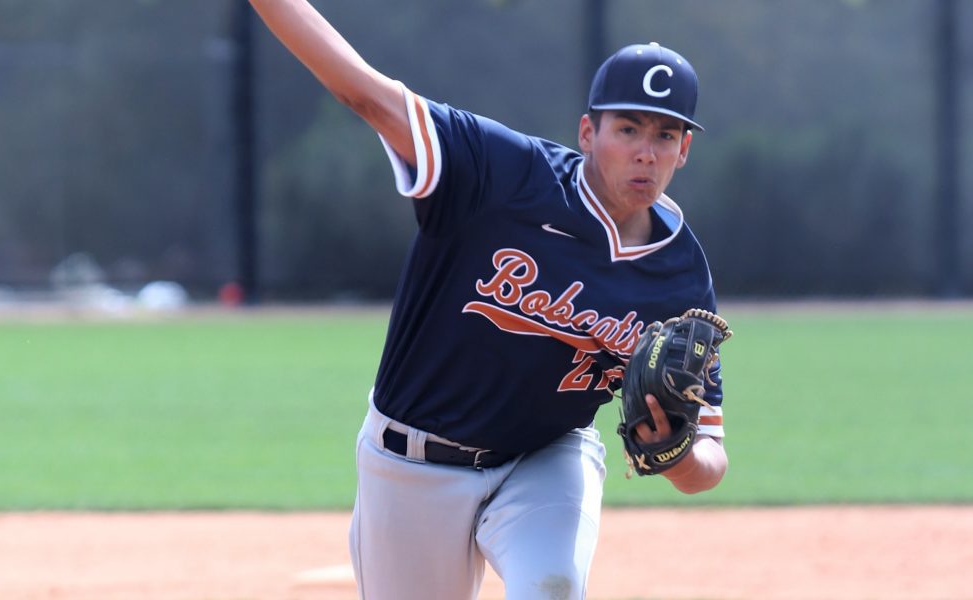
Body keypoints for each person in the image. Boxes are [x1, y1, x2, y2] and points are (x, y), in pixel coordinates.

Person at [248, 1, 729, 598]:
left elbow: (709, 455)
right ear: (588, 133)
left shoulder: (681, 277)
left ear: (684, 150)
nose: (645, 152)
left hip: (547, 458)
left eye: (665, 135)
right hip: (413, 463)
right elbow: (364, 94)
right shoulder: (501, 173)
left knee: (550, 587)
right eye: (627, 128)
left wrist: (675, 455)